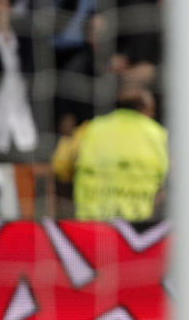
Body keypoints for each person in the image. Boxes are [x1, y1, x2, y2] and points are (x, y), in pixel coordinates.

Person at [64, 87, 168, 221]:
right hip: (140, 224)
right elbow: (170, 177)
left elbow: (61, 166)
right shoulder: (158, 134)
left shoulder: (89, 128)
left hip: (91, 222)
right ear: (147, 109)